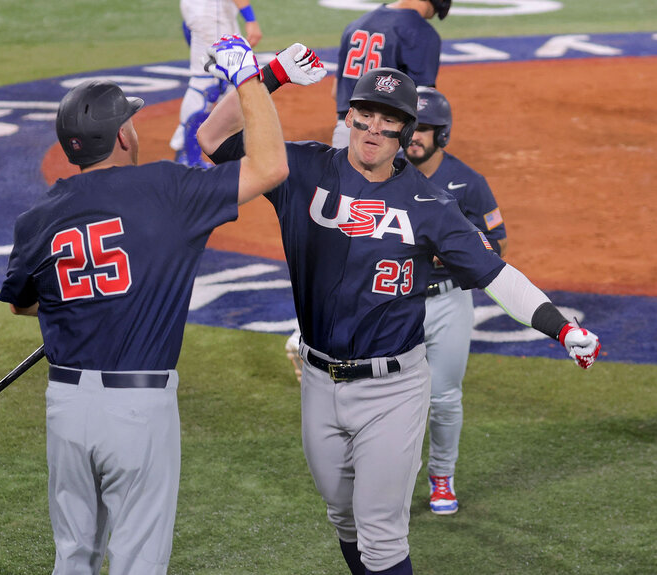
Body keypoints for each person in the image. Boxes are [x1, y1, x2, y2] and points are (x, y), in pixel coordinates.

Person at [197, 65, 601, 575]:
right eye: (363, 115)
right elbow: (212, 139)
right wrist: (267, 75)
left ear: (405, 133)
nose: (371, 130)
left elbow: (497, 276)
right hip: (318, 380)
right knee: (342, 518)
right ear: (348, 116)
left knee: (382, 536)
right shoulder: (300, 167)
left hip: (393, 389)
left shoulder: (431, 204)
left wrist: (563, 328)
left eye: (386, 122)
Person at [0, 35, 288, 575]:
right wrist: (250, 76)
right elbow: (270, 166)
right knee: (139, 563)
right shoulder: (166, 190)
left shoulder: (38, 216)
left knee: (73, 558)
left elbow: (26, 305)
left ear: (71, 147)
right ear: (124, 136)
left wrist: (90, 300)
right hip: (137, 409)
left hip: (66, 407)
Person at [404, 86, 508, 515]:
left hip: (448, 303)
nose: (415, 136)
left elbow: (496, 249)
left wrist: (449, 254)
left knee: (444, 399)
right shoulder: (380, 174)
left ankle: (442, 477)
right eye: (412, 126)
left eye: (425, 130)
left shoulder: (468, 182)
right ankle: (388, 476)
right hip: (394, 299)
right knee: (385, 395)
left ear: (441, 135)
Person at [332, 0, 450, 148]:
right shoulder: (421, 31)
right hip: (385, 135)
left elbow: (336, 92)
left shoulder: (356, 24)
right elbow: (421, 100)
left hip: (346, 130)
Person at [170, 0, 263, 167]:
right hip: (212, 12)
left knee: (223, 82)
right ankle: (188, 156)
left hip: (205, 12)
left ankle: (201, 150)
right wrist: (251, 19)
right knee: (208, 83)